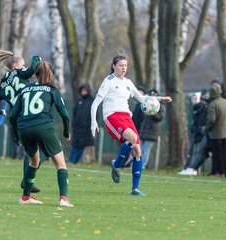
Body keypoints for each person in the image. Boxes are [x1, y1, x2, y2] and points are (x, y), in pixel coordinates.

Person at [90, 54, 172, 196]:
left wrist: (159, 99)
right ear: (114, 66)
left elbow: (141, 98)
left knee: (137, 151)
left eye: (125, 65)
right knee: (133, 138)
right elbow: (96, 102)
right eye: (121, 65)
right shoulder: (108, 81)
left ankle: (135, 189)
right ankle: (116, 164)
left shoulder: (128, 82)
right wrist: (93, 121)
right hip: (112, 116)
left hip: (126, 117)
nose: (123, 68)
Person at [10, 61, 73, 207]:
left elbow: (13, 115)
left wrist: (16, 135)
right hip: (43, 127)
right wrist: (66, 132)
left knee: (34, 162)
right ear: (51, 74)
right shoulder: (52, 90)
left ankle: (25, 197)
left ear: (35, 74)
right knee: (61, 164)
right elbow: (64, 115)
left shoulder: (25, 89)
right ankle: (63, 199)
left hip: (24, 128)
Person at [0, 47, 42, 193]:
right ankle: (26, 180)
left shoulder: (2, 83)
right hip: (29, 114)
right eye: (22, 65)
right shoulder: (18, 72)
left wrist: (0, 111)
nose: (24, 67)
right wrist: (36, 57)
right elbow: (31, 70)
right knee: (41, 150)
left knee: (30, 150)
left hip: (18, 119)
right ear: (15, 66)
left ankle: (27, 180)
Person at [179, 90, 210, 175]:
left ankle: (193, 168)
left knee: (199, 152)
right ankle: (188, 167)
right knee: (191, 151)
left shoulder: (203, 109)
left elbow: (203, 121)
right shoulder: (197, 109)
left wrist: (200, 129)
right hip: (196, 132)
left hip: (201, 134)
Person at [206, 83, 226, 177]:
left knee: (217, 154)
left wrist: (207, 128)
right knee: (225, 153)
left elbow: (212, 120)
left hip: (216, 134)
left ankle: (220, 172)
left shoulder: (212, 104)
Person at [69, 84, 95, 164]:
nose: (83, 92)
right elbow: (74, 113)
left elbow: (95, 114)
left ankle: (74, 161)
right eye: (82, 90)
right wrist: (73, 124)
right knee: (74, 144)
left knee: (81, 145)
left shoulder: (92, 101)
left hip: (86, 129)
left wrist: (89, 125)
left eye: (85, 90)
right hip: (77, 128)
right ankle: (71, 160)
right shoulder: (79, 101)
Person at [140, 89, 166, 169]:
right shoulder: (146, 105)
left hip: (152, 132)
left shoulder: (161, 106)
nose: (152, 96)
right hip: (144, 132)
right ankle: (137, 164)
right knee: (140, 149)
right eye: (151, 94)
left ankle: (142, 165)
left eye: (154, 94)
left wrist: (152, 112)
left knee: (146, 150)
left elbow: (160, 117)